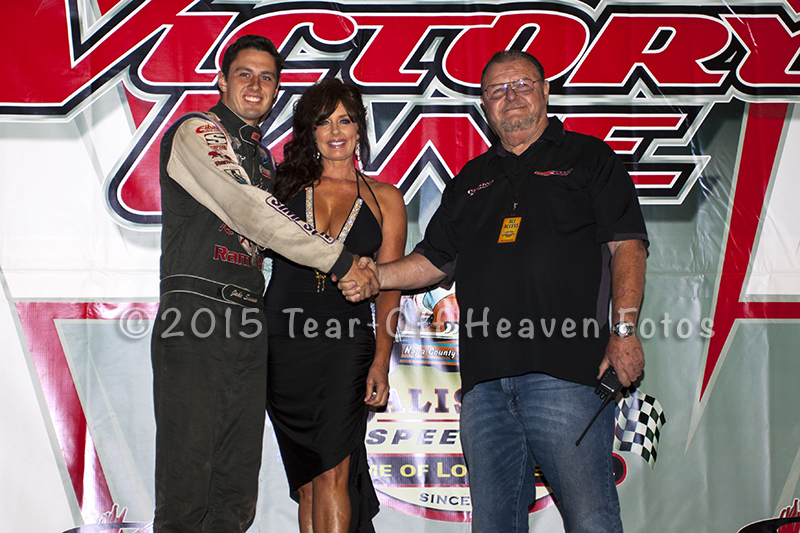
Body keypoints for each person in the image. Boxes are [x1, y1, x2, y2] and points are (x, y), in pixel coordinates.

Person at [342, 49, 648, 532]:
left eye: (522, 84)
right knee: (493, 525)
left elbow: (627, 244)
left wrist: (624, 330)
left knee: (592, 520)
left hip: (567, 375)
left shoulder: (589, 158)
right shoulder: (471, 180)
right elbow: (433, 260)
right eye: (497, 90)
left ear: (545, 91)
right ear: (484, 105)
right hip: (484, 386)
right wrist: (377, 276)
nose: (511, 97)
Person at [151, 35, 377, 533]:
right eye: (244, 74)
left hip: (253, 323)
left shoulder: (267, 163)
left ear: (276, 91)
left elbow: (276, 232)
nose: (255, 85)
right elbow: (248, 207)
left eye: (267, 78)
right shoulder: (197, 130)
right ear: (221, 80)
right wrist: (340, 260)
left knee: (235, 491)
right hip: (198, 312)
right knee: (187, 481)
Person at [264, 78, 407, 533]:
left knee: (333, 472)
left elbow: (390, 288)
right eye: (324, 122)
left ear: (359, 128)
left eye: (344, 120)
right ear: (310, 131)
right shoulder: (283, 188)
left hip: (345, 346)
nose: (335, 131)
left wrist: (381, 362)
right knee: (307, 482)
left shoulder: (386, 198)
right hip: (282, 343)